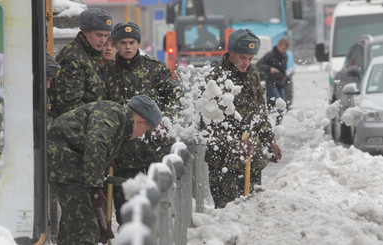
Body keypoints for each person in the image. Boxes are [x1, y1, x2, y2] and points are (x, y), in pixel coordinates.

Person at [47, 95, 162, 245]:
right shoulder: (113, 114)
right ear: (140, 121)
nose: (141, 135)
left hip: (68, 161)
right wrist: (95, 187)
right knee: (85, 229)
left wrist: (99, 218)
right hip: (63, 159)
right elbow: (95, 143)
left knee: (74, 221)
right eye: (144, 131)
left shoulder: (119, 121)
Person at [103, 22, 184, 226]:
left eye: (132, 42)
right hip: (122, 154)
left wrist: (163, 121)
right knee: (126, 212)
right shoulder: (106, 73)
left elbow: (175, 98)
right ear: (116, 45)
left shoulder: (155, 69)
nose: (128, 47)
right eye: (123, 43)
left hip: (153, 150)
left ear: (138, 43)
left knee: (156, 208)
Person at [200, 29, 282, 209]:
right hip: (224, 165)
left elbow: (260, 112)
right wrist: (235, 146)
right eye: (243, 57)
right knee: (227, 216)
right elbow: (205, 127)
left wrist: (270, 141)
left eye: (251, 58)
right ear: (231, 52)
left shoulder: (252, 74)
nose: (246, 63)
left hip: (250, 161)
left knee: (251, 214)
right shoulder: (214, 81)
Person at [49, 8, 113, 119]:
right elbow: (70, 107)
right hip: (73, 130)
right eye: (99, 35)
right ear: (85, 32)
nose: (103, 40)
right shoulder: (72, 57)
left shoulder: (92, 56)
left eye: (106, 35)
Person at [256, 38, 290, 125]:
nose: (284, 51)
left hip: (281, 83)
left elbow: (283, 70)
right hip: (271, 83)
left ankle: (278, 125)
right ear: (278, 46)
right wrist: (269, 69)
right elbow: (259, 65)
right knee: (279, 103)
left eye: (286, 49)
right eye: (283, 49)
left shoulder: (285, 57)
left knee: (283, 105)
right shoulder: (269, 55)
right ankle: (267, 124)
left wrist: (287, 76)